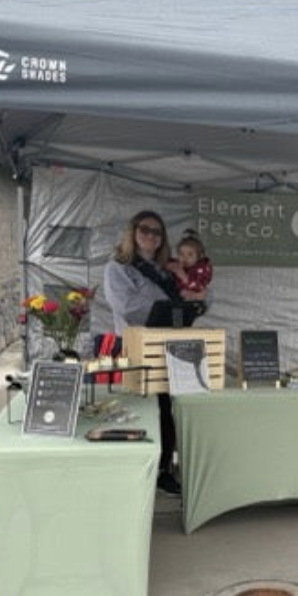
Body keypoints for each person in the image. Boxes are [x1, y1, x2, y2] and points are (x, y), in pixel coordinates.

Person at [103, 210, 190, 495]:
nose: (151, 236)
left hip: (170, 348)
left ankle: (164, 469)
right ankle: (137, 471)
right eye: (145, 229)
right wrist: (168, 305)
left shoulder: (168, 269)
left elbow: (197, 297)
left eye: (157, 232)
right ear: (133, 231)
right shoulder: (119, 267)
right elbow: (128, 307)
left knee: (167, 411)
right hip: (136, 350)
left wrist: (187, 292)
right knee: (139, 412)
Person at [166, 230, 213, 300]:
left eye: (190, 254)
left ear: (198, 257)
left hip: (194, 298)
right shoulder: (178, 264)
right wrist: (168, 266)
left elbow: (199, 285)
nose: (185, 258)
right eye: (181, 254)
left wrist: (184, 277)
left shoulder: (201, 269)